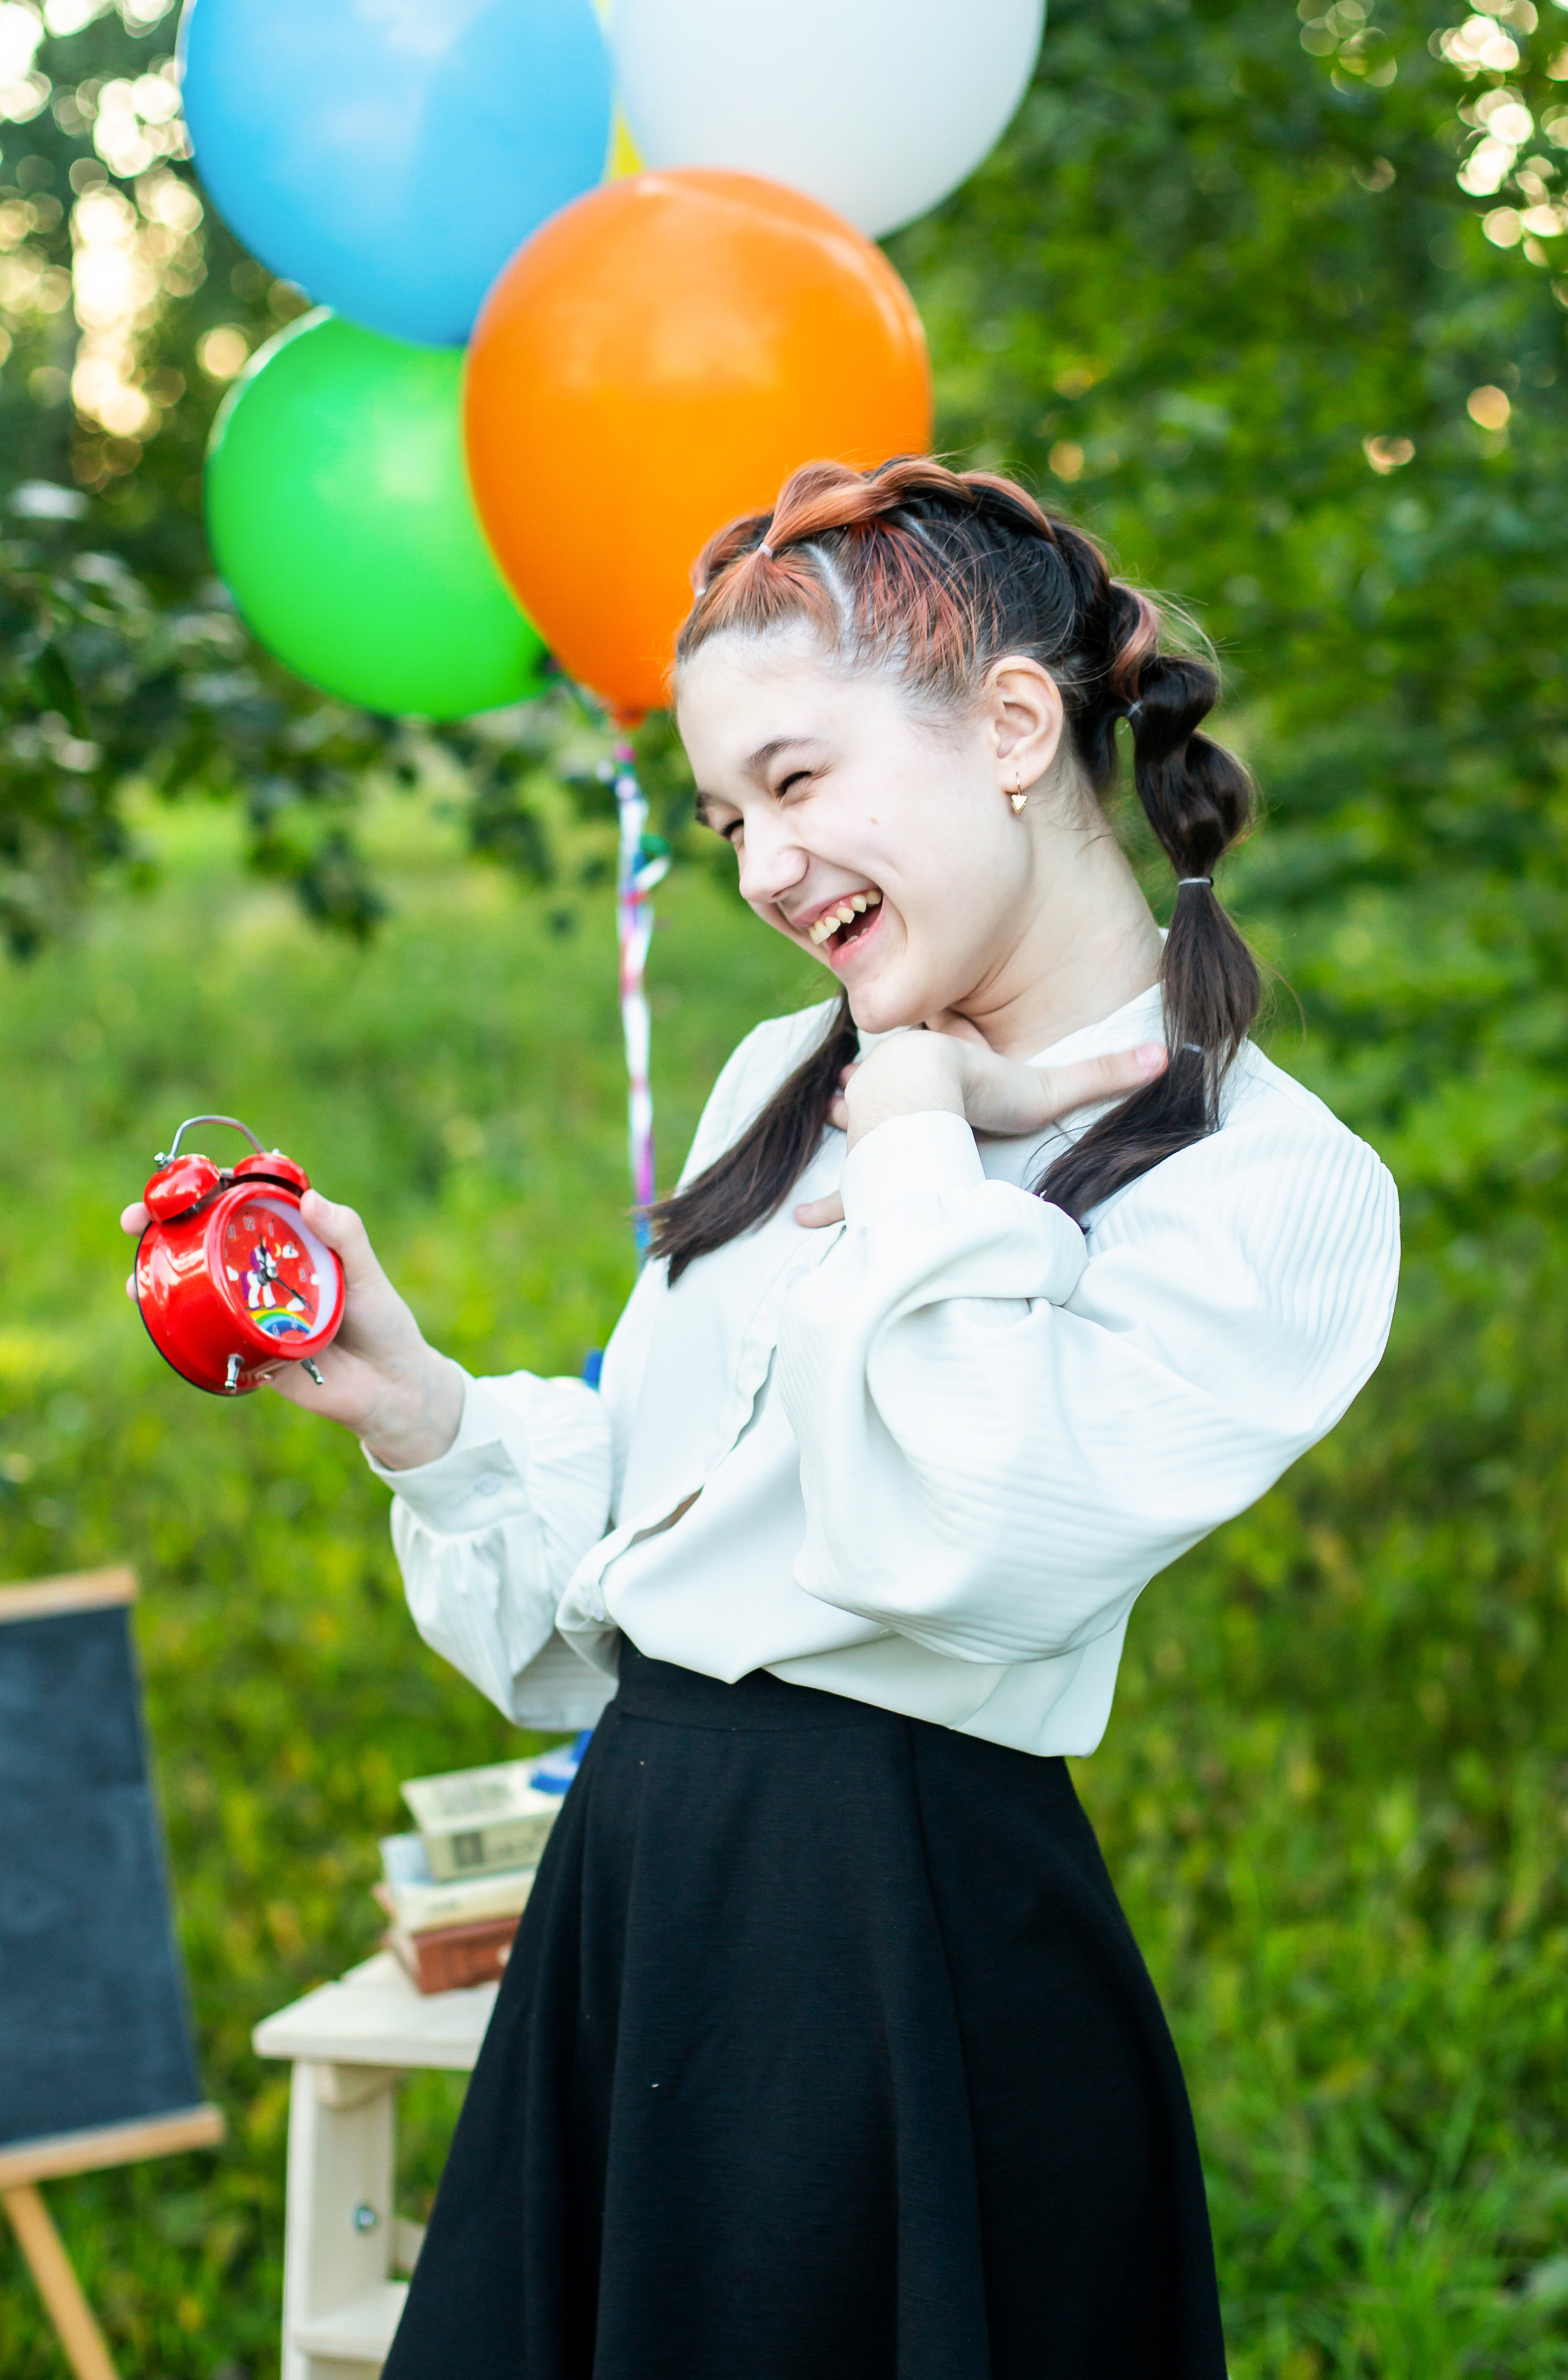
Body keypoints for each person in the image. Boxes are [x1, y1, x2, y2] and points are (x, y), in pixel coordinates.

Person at [125, 458, 1399, 2376]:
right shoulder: (774, 1074)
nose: (762, 868)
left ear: (1015, 724)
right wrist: (430, 1414)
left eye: (797, 784)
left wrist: (919, 1148)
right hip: (639, 1895)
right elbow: (618, 1603)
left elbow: (960, 1539)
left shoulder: (1272, 1184)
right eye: (728, 816)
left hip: (901, 1957)